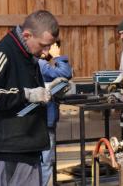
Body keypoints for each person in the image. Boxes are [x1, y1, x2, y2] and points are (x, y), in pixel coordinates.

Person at [0, 10, 66, 186]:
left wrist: (50, 89)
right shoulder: (3, 54)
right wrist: (26, 94)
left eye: (50, 46)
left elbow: (19, 93)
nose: (46, 52)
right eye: (43, 45)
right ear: (27, 35)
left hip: (26, 147)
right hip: (9, 152)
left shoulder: (28, 55)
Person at [38, 40, 72, 186]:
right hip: (44, 120)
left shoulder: (41, 64)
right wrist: (58, 57)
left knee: (44, 160)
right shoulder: (40, 64)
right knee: (45, 161)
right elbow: (66, 72)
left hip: (44, 119)